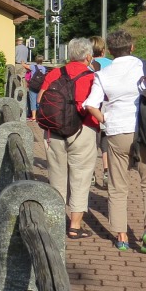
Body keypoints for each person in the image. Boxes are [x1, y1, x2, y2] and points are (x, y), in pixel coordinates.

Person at [84, 28, 146, 254]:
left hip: (117, 133)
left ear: (110, 51)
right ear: (132, 47)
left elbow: (91, 104)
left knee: (117, 186)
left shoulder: (103, 73)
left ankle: (121, 237)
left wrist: (106, 120)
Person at [39, 37, 99, 240]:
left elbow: (41, 99)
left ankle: (54, 221)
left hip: (54, 132)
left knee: (56, 176)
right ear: (88, 57)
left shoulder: (55, 73)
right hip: (83, 130)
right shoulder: (92, 77)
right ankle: (74, 226)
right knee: (81, 177)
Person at [90, 35, 111, 189]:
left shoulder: (88, 65)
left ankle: (90, 174)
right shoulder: (112, 64)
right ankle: (107, 173)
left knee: (92, 143)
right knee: (106, 142)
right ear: (103, 50)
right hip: (109, 106)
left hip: (92, 107)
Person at [25, 54, 46, 121]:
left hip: (33, 86)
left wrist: (22, 63)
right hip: (40, 86)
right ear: (42, 61)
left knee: (33, 101)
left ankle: (34, 117)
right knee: (39, 100)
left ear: (36, 60)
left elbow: (25, 66)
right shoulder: (44, 68)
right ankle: (39, 116)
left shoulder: (33, 67)